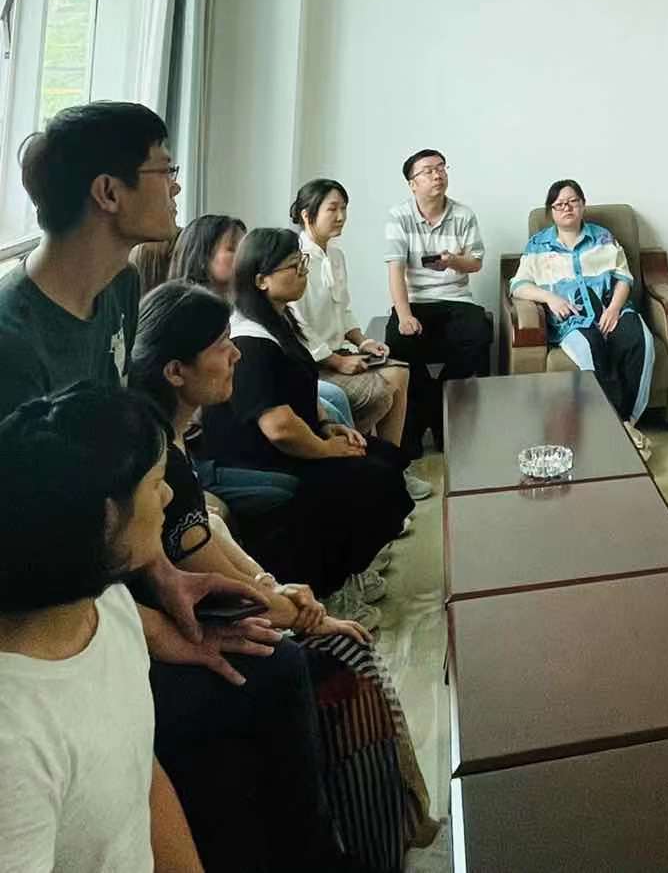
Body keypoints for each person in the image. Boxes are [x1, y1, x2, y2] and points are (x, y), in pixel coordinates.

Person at [0, 102, 354, 871]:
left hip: (117, 578)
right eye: (164, 169)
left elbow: (129, 471)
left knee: (273, 648)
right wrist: (154, 630)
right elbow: (36, 540)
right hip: (53, 608)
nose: (176, 186)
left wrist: (168, 578)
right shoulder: (13, 340)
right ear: (108, 192)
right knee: (265, 673)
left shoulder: (120, 291)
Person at [130, 280, 440, 869]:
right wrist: (301, 614)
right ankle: (329, 844)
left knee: (342, 640)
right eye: (220, 346)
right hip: (178, 641)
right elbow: (197, 561)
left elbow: (208, 541)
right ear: (174, 370)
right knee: (336, 656)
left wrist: (277, 591)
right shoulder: (151, 452)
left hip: (207, 608)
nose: (235, 354)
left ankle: (396, 824)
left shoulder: (170, 436)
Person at [0, 387, 201, 872]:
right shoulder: (14, 741)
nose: (169, 496)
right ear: (108, 517)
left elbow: (142, 775)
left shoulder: (107, 606)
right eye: (157, 483)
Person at [200, 228, 413, 618]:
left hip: (291, 442)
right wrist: (327, 450)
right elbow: (278, 427)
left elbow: (300, 388)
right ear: (261, 280)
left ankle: (351, 567)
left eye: (302, 262)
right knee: (370, 481)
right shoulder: (249, 339)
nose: (303, 271)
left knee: (388, 459)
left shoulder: (281, 319)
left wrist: (329, 425)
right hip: (257, 457)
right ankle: (329, 588)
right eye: (293, 266)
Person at [289, 178, 432, 501]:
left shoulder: (335, 256)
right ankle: (371, 472)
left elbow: (344, 311)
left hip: (339, 350)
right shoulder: (295, 260)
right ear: (307, 215)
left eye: (344, 208)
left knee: (400, 372)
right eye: (332, 209)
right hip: (314, 361)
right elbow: (296, 325)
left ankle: (392, 468)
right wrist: (336, 361)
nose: (341, 216)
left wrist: (364, 342)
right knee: (381, 390)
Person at [510, 179, 656, 458]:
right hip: (572, 318)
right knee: (591, 348)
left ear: (583, 204)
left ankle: (626, 422)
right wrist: (550, 298)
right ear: (551, 211)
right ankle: (620, 429)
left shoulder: (603, 237)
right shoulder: (538, 245)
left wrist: (614, 308)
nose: (567, 208)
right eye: (559, 204)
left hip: (611, 308)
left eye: (572, 202)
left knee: (641, 340)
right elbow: (518, 285)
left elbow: (623, 277)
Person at [173, 212, 355, 429]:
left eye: (245, 245)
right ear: (202, 258)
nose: (245, 253)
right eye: (233, 248)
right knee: (331, 400)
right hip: (218, 403)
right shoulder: (195, 311)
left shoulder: (259, 301)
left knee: (329, 404)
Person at [384, 148, 492, 457]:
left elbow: (475, 263)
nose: (438, 174)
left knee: (479, 333)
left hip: (455, 298)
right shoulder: (399, 216)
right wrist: (405, 315)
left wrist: (453, 261)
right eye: (429, 170)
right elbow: (395, 271)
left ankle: (436, 409)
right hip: (416, 300)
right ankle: (430, 415)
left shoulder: (463, 215)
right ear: (412, 183)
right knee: (398, 342)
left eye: (441, 168)